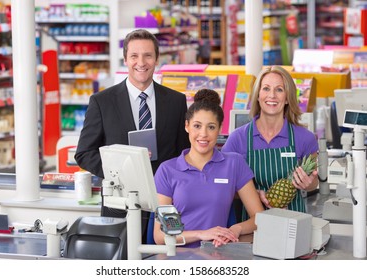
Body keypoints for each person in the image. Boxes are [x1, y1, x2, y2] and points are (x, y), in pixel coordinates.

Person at [75, 29, 190, 220]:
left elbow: (183, 152)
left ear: (156, 59)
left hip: (165, 203)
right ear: (125, 59)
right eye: (134, 56)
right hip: (119, 206)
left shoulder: (176, 101)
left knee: (164, 250)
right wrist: (121, 170)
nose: (141, 63)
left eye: (148, 56)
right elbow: (84, 153)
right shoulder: (102, 102)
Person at [153, 89, 264, 248]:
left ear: (219, 129)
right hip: (178, 258)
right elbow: (161, 235)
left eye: (211, 127)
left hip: (217, 255)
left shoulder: (234, 164)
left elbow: (258, 217)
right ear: (187, 126)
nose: (203, 134)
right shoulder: (168, 170)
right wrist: (201, 234)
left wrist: (236, 229)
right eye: (197, 126)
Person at [222, 66, 318, 219]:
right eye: (266, 88)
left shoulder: (305, 138)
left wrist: (308, 183)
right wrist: (251, 194)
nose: (272, 95)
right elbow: (223, 185)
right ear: (258, 95)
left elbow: (314, 181)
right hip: (251, 226)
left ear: (287, 97)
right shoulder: (237, 139)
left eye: (279, 89)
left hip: (294, 221)